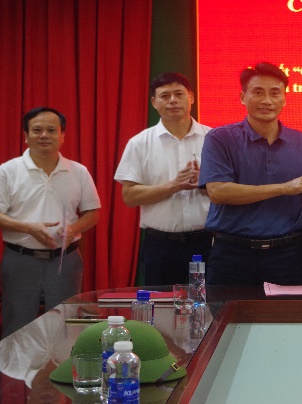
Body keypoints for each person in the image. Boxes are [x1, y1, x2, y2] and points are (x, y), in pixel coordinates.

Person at [198, 62, 302, 286]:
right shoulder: (219, 138)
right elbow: (218, 192)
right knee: (227, 310)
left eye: (275, 93)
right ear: (243, 97)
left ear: (284, 99)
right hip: (232, 255)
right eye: (258, 92)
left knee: (287, 311)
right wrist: (284, 188)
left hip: (288, 256)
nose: (267, 101)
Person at [0, 107, 101, 337]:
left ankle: (61, 361)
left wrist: (73, 229)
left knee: (66, 328)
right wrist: (29, 228)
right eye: (37, 130)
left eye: (51, 130)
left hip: (65, 261)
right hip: (20, 260)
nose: (44, 135)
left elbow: (93, 213)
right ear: (26, 136)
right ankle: (15, 363)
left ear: (62, 136)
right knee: (17, 327)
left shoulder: (78, 171)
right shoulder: (7, 171)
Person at [114, 73, 212, 286]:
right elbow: (129, 196)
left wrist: (204, 184)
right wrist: (174, 185)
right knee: (162, 303)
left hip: (208, 243)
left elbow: (228, 189)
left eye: (179, 94)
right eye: (165, 96)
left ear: (191, 97)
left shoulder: (214, 139)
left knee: (207, 302)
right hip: (160, 245)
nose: (173, 101)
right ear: (154, 102)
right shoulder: (139, 143)